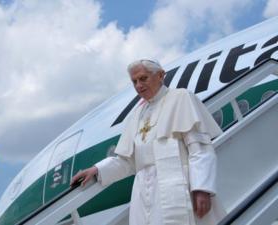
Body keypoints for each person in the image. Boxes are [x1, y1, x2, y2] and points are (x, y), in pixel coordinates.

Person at [71, 59, 226, 225]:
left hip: (179, 187)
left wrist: (201, 188)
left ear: (160, 75)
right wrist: (97, 169)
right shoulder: (137, 114)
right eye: (134, 81)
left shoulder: (180, 98)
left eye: (143, 78)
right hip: (145, 195)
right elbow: (128, 162)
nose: (138, 85)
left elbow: (199, 148)